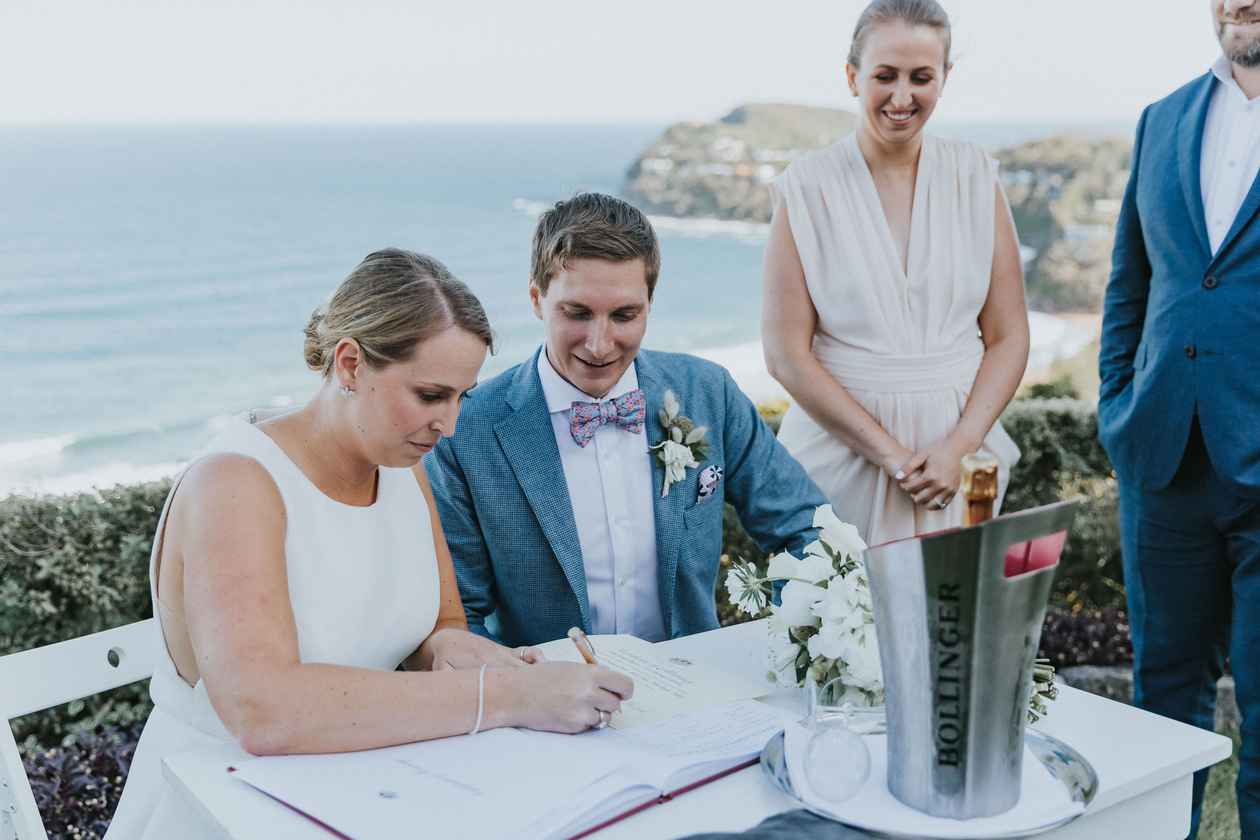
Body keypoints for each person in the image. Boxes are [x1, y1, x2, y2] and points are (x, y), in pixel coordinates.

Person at [106, 249, 633, 839]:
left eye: (462, 396)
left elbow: (438, 625)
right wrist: (506, 695)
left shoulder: (403, 468)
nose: (450, 424)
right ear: (351, 364)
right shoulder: (234, 482)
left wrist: (460, 653)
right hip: (224, 807)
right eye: (432, 395)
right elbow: (263, 711)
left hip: (369, 790)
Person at [425, 193, 827, 648]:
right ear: (537, 300)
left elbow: (808, 531)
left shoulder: (708, 392)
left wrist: (785, 647)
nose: (599, 344)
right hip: (546, 706)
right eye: (577, 313)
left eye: (624, 315)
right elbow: (460, 616)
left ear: (649, 303)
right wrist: (525, 693)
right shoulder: (468, 430)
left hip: (702, 692)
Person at [761, 0, 1028, 547]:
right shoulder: (806, 190)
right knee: (842, 626)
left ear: (944, 78)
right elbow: (787, 354)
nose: (902, 96)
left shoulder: (977, 179)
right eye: (885, 76)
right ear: (852, 76)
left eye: (921, 77)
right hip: (840, 469)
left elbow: (1008, 336)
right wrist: (894, 458)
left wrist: (958, 449)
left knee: (951, 624)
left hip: (956, 473)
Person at [1098, 2, 1260, 835]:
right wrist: (1117, 404)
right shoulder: (1161, 120)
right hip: (1162, 459)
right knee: (1162, 713)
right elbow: (1131, 278)